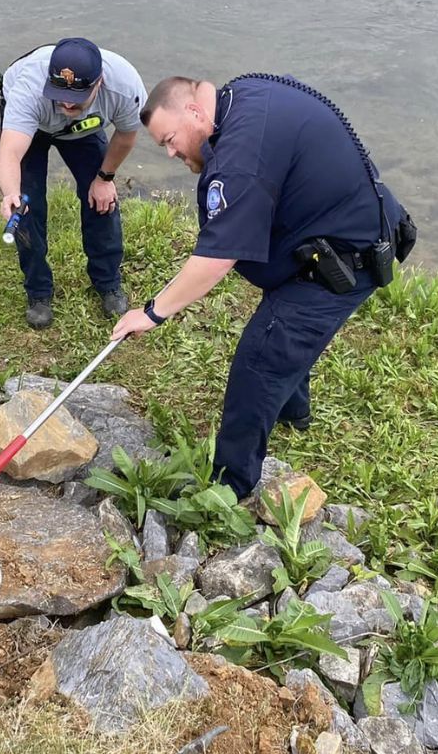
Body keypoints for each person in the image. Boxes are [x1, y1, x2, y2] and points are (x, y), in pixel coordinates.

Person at [111, 73, 416, 498]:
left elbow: (217, 258)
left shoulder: (241, 155)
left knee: (260, 361)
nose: (171, 152)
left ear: (195, 111)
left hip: (343, 262)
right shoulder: (240, 98)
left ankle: (228, 487)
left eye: (170, 139)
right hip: (322, 240)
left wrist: (152, 312)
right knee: (284, 339)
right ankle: (295, 413)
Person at [0, 37, 147, 328]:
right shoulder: (28, 89)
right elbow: (9, 153)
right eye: (59, 93)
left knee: (103, 201)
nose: (66, 103)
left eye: (76, 97)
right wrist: (11, 194)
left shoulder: (124, 86)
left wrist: (105, 178)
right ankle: (38, 292)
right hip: (33, 129)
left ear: (98, 83)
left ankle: (108, 282)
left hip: (84, 131)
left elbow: (126, 135)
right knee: (27, 207)